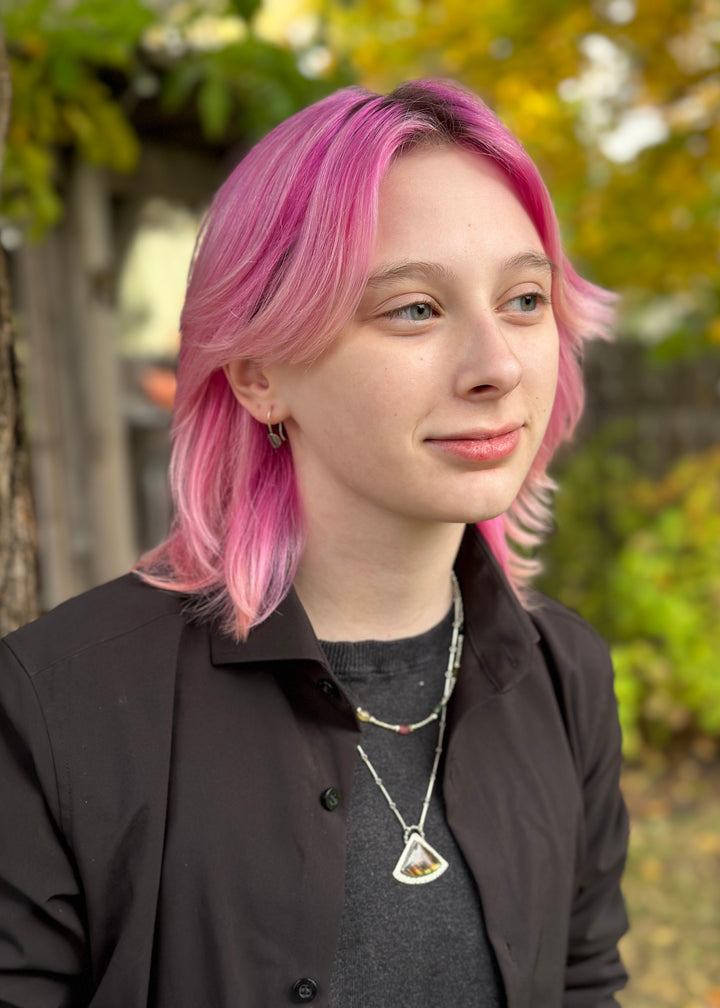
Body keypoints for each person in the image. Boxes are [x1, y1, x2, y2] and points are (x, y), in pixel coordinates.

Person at [0, 79, 629, 1007]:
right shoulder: (56, 707)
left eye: (525, 299)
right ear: (258, 375)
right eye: (414, 309)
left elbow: (583, 983)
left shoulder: (565, 675)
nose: (496, 366)